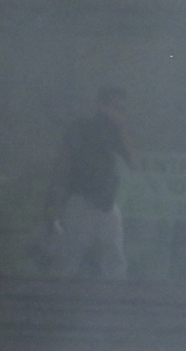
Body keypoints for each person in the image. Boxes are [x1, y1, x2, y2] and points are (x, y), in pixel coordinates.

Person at [36, 88, 131, 279]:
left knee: (115, 260)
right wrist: (54, 203)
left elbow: (133, 161)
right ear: (99, 105)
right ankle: (55, 303)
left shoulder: (115, 132)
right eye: (111, 106)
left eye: (120, 108)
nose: (113, 112)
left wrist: (120, 128)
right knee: (67, 260)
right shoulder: (80, 127)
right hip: (81, 203)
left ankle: (115, 303)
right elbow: (62, 165)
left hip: (107, 205)